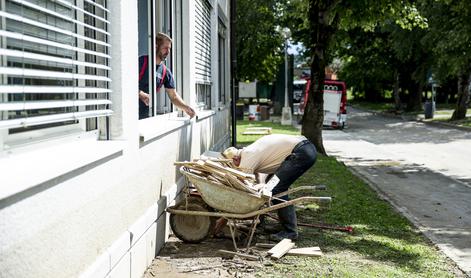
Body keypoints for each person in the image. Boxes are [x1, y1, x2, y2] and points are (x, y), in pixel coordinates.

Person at [222, 134, 317, 241]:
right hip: (304, 148)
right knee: (272, 187)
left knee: (277, 189)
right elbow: (260, 177)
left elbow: (245, 187)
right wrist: (262, 187)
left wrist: (225, 216)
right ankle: (279, 225)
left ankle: (290, 231)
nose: (236, 167)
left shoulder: (247, 157)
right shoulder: (250, 151)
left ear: (235, 158)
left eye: (233, 165)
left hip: (301, 153)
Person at [138, 32, 195, 119]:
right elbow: (125, 82)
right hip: (129, 113)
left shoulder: (165, 72)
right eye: (165, 48)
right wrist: (140, 94)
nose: (168, 52)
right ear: (156, 46)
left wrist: (186, 108)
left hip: (145, 116)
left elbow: (173, 96)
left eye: (169, 49)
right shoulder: (142, 62)